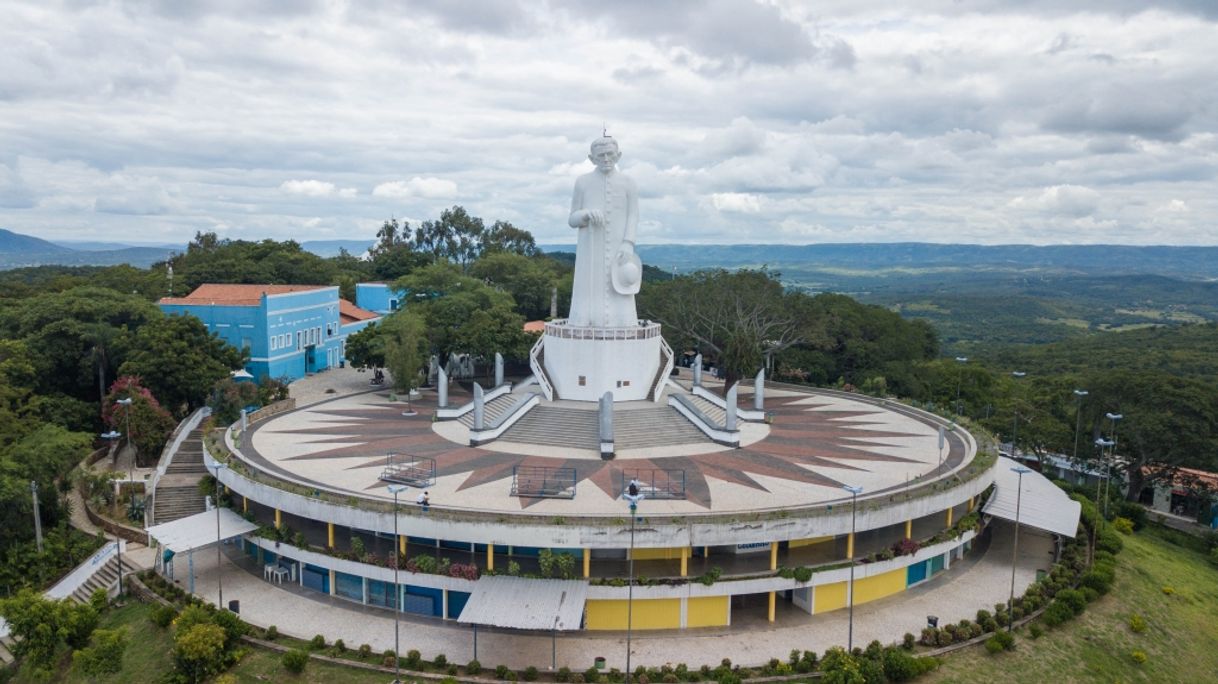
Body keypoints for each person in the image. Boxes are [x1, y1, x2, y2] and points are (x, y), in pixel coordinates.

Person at [568, 135, 640, 328]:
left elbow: (633, 215)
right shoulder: (582, 182)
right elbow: (572, 219)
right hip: (590, 250)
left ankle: (623, 321)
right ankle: (583, 319)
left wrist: (628, 243)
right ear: (592, 158)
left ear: (619, 155)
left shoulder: (628, 182)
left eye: (610, 154)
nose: (606, 159)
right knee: (588, 289)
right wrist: (585, 214)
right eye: (601, 156)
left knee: (620, 286)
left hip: (619, 247)